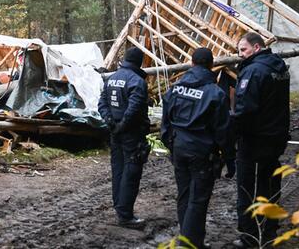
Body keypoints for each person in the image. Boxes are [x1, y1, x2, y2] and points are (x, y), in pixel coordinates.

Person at [161, 48, 235, 249]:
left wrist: (170, 144)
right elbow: (223, 131)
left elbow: (165, 121)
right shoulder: (215, 93)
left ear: (192, 64)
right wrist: (230, 159)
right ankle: (189, 244)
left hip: (179, 148)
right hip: (201, 152)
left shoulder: (175, 89)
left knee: (184, 194)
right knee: (198, 199)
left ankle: (192, 240)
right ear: (211, 66)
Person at [232, 32, 290, 248]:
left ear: (257, 48)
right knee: (271, 183)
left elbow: (245, 110)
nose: (240, 55)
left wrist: (233, 134)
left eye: (243, 50)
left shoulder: (254, 71)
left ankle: (249, 236)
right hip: (276, 135)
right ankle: (270, 230)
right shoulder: (279, 67)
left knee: (247, 188)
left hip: (255, 139)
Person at [98, 46, 151, 229]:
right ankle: (125, 214)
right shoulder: (137, 81)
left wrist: (111, 122)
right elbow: (135, 109)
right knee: (131, 172)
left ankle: (120, 208)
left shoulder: (112, 78)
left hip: (115, 132)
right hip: (131, 133)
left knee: (118, 170)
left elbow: (102, 103)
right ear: (139, 62)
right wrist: (122, 125)